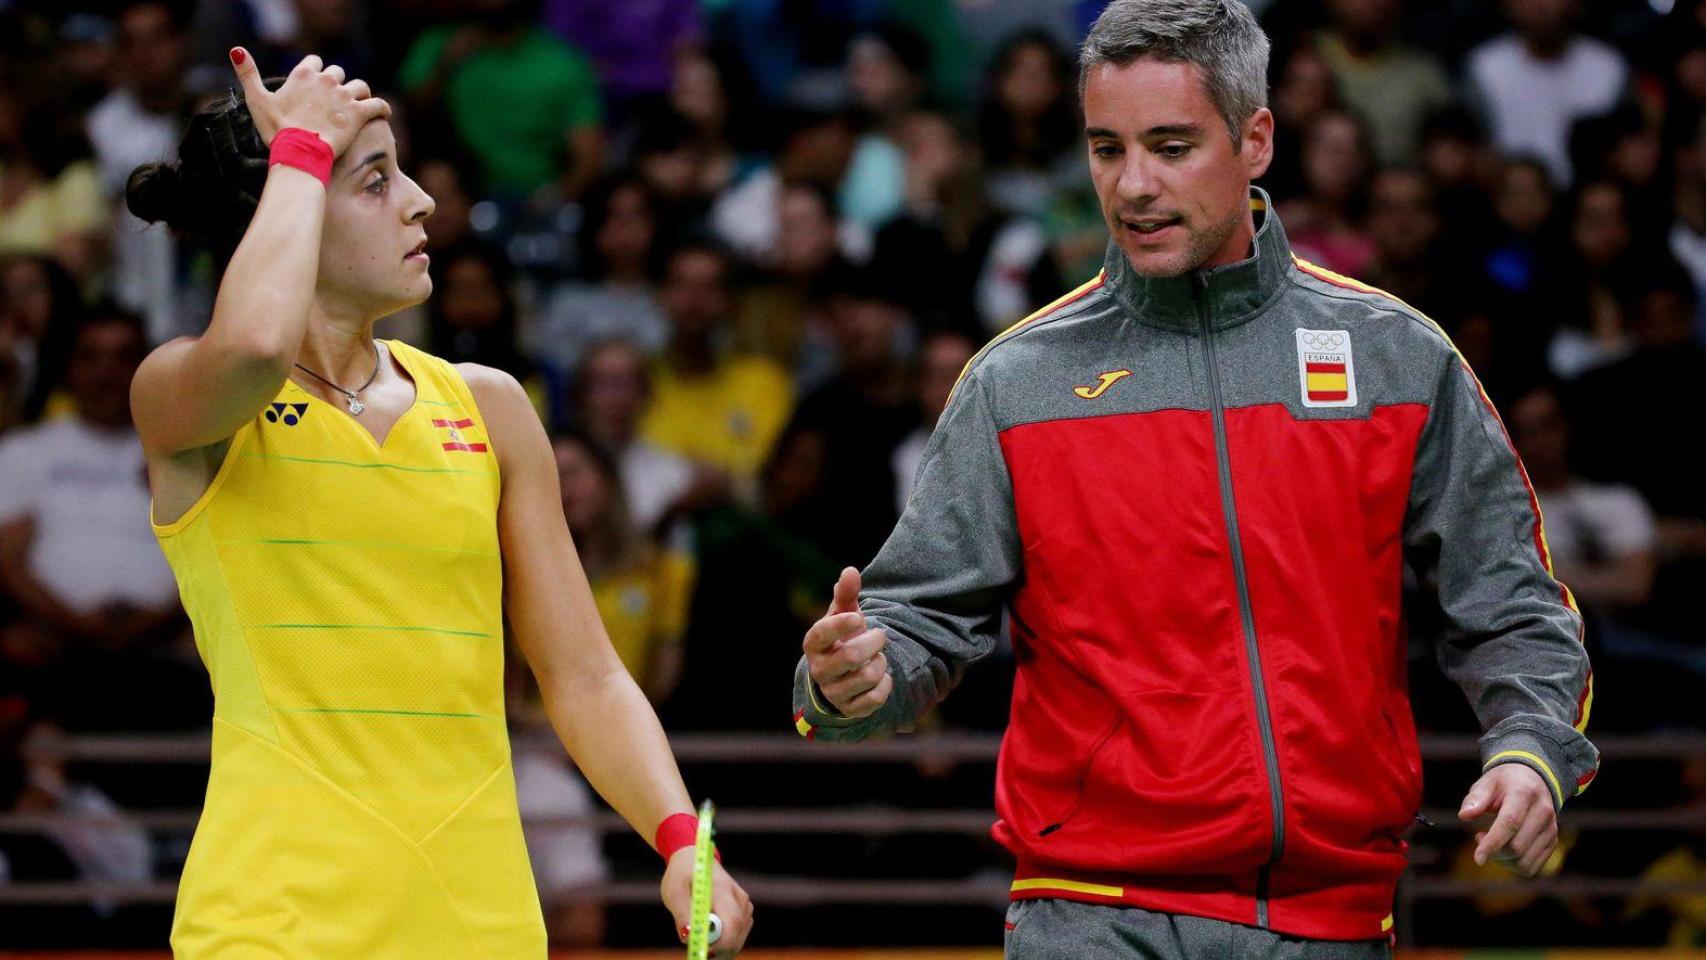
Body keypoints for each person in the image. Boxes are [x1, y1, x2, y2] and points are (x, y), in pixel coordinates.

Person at [792, 2, 1598, 957]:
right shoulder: (1015, 383)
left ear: (1256, 140)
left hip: (1333, 918)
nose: (1133, 185)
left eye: (1171, 147)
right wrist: (853, 678)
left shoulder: (1398, 359)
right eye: (1107, 149)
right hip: (1086, 908)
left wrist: (1532, 750)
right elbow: (915, 620)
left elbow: (1512, 603)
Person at [123, 50, 751, 957]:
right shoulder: (184, 397)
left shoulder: (488, 406)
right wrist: (301, 148)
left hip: (481, 921)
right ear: (284, 210)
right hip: (273, 920)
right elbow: (256, 343)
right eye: (376, 181)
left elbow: (584, 676)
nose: (420, 202)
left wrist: (682, 839)